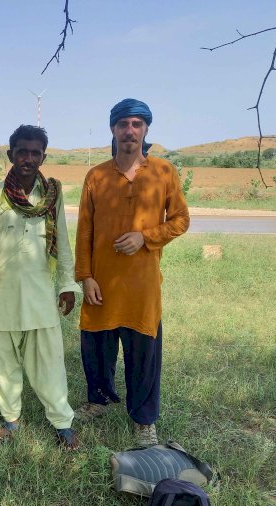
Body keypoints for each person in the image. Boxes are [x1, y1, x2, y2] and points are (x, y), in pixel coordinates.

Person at [73, 98, 189, 447]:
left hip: (142, 285)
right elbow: (84, 230)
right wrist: (85, 277)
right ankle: (99, 400)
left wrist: (146, 237)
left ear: (146, 129)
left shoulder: (163, 172)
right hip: (102, 283)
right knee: (96, 345)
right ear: (113, 129)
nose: (129, 130)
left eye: (137, 124)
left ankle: (144, 421)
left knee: (144, 353)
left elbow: (181, 220)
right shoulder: (96, 176)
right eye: (123, 124)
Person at [0, 125, 81, 449]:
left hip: (39, 295)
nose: (28, 158)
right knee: (3, 364)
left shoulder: (52, 195)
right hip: (2, 294)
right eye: (22, 152)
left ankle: (62, 423)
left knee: (49, 363)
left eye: (35, 153)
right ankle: (11, 419)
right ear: (11, 155)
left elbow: (62, 243)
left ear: (43, 157)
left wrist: (67, 285)